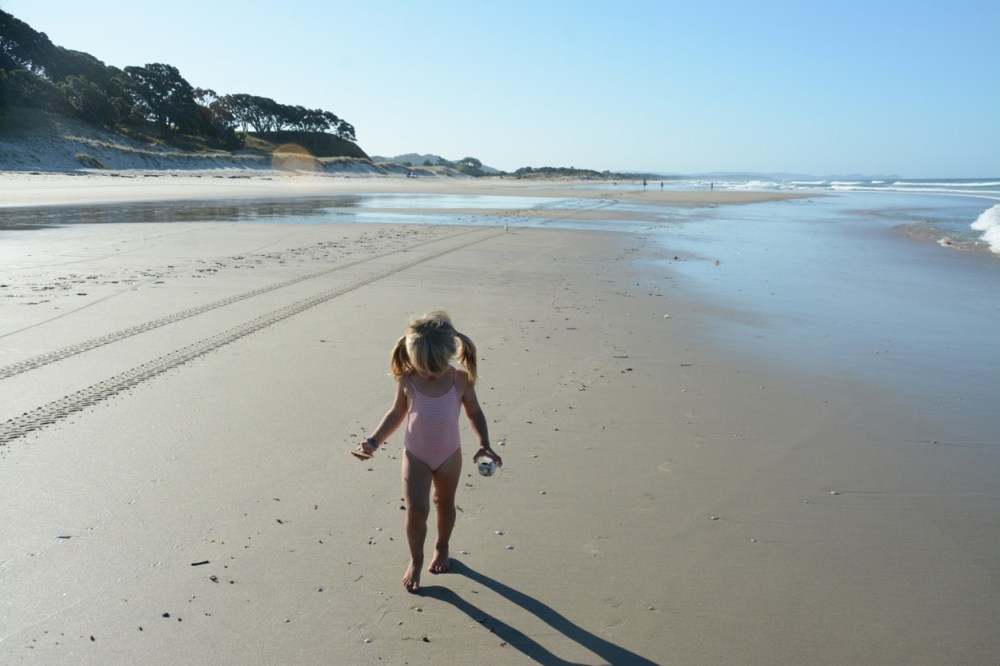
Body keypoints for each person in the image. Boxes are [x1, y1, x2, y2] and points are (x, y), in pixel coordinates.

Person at [353, 311, 502, 593]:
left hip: (449, 456)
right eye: (423, 369)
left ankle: (442, 546)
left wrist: (484, 443)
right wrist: (374, 440)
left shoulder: (460, 379)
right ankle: (416, 559)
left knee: (444, 504)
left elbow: (474, 413)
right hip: (416, 456)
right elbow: (396, 413)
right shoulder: (407, 380)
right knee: (416, 510)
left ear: (449, 356)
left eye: (436, 369)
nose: (430, 375)